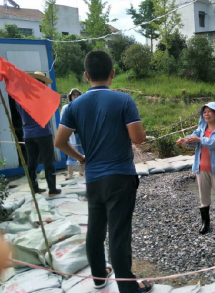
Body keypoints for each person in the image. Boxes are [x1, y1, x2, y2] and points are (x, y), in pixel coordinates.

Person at [54, 50, 153, 293]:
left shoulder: (73, 107)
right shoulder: (124, 101)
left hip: (94, 178)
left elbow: (59, 141)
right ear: (113, 73)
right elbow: (138, 139)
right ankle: (128, 288)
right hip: (120, 177)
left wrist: (82, 158)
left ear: (86, 75)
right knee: (119, 234)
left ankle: (99, 277)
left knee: (96, 229)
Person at [177, 102, 215, 234]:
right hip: (201, 167)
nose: (206, 114)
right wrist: (185, 140)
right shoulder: (201, 128)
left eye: (209, 111)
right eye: (204, 112)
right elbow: (193, 139)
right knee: (204, 197)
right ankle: (205, 224)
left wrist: (200, 139)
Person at [15, 72, 61, 196]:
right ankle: (52, 189)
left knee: (32, 162)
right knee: (48, 162)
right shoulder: (40, 97)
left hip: (28, 134)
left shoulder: (20, 98)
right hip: (43, 133)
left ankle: (34, 187)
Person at [60, 88, 84, 180]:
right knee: (71, 152)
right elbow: (63, 121)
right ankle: (70, 173)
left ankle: (82, 171)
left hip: (81, 133)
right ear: (70, 96)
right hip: (71, 134)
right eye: (74, 95)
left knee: (82, 152)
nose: (76, 96)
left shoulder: (82, 107)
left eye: (77, 94)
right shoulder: (66, 107)